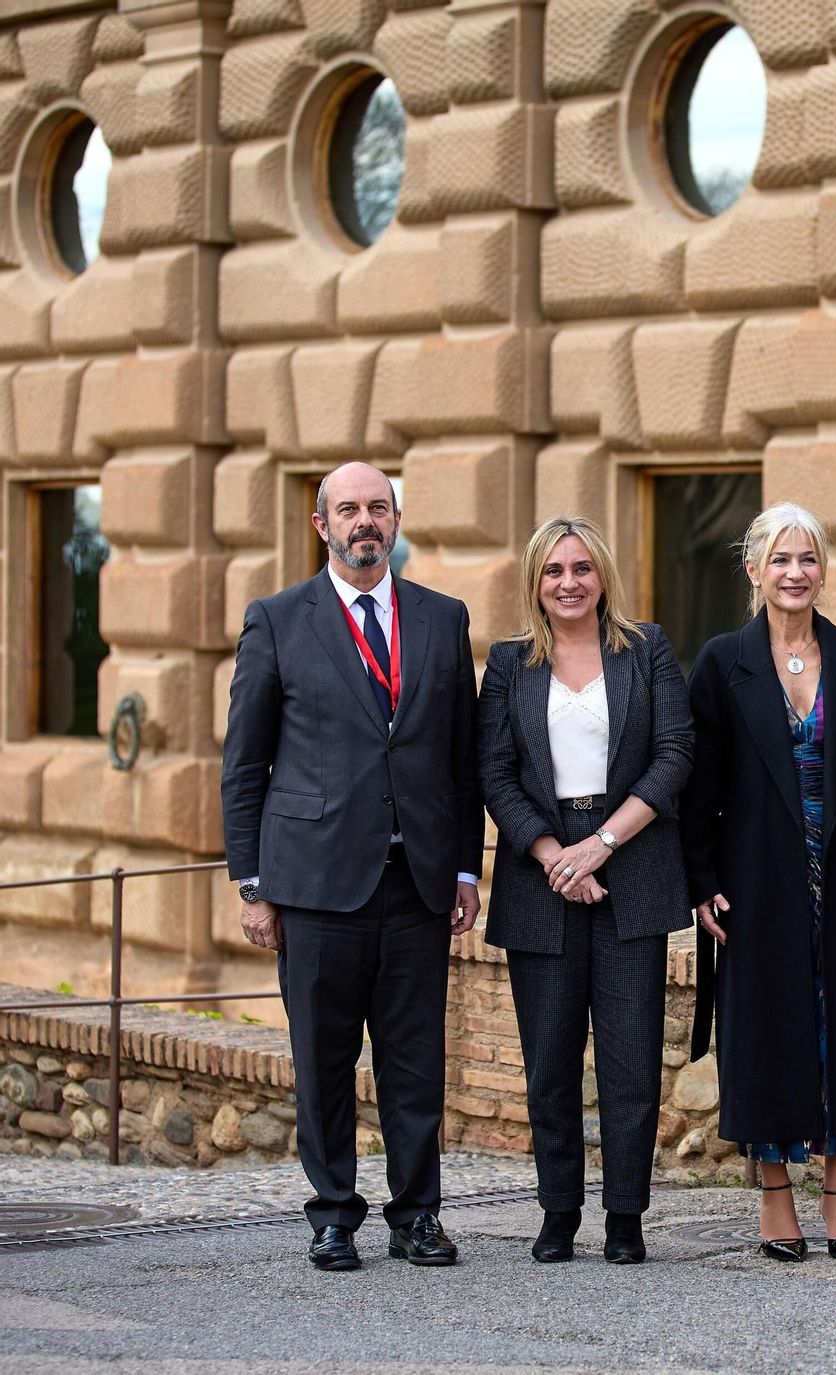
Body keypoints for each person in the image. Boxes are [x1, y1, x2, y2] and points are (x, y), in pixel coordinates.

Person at [221, 462, 483, 1272]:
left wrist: (467, 871)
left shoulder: (442, 619)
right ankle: (333, 1213)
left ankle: (418, 1215)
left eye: (377, 507)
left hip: (416, 885)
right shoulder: (277, 619)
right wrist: (252, 882)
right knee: (323, 1062)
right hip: (314, 885)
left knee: (416, 1063)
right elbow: (245, 763)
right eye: (348, 509)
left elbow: (462, 760)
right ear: (321, 524)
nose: (364, 521)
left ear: (395, 519)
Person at [683, 504, 836, 1262]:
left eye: (807, 559)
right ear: (754, 569)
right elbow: (700, 786)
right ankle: (777, 1197)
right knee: (769, 1031)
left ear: (823, 569)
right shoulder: (723, 661)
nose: (794, 573)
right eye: (779, 559)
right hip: (757, 877)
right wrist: (704, 878)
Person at [477, 515, 693, 1266]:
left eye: (581, 568)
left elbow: (674, 755)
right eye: (553, 571)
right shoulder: (508, 663)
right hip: (542, 877)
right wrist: (551, 854)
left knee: (632, 1060)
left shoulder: (648, 649)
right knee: (549, 1061)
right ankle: (558, 1211)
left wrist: (599, 845)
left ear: (602, 575)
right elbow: (494, 771)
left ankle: (625, 1216)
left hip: (630, 862)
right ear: (536, 582)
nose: (568, 582)